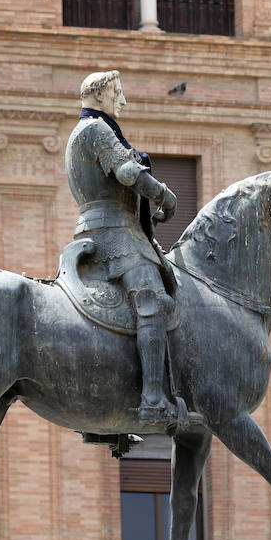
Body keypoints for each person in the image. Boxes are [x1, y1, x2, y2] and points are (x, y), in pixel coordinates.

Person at [65, 70, 186, 426]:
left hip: (108, 226)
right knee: (148, 299)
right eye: (117, 92)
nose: (123, 100)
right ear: (100, 95)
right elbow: (128, 174)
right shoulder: (95, 130)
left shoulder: (89, 131)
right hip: (113, 229)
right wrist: (165, 194)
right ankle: (152, 399)